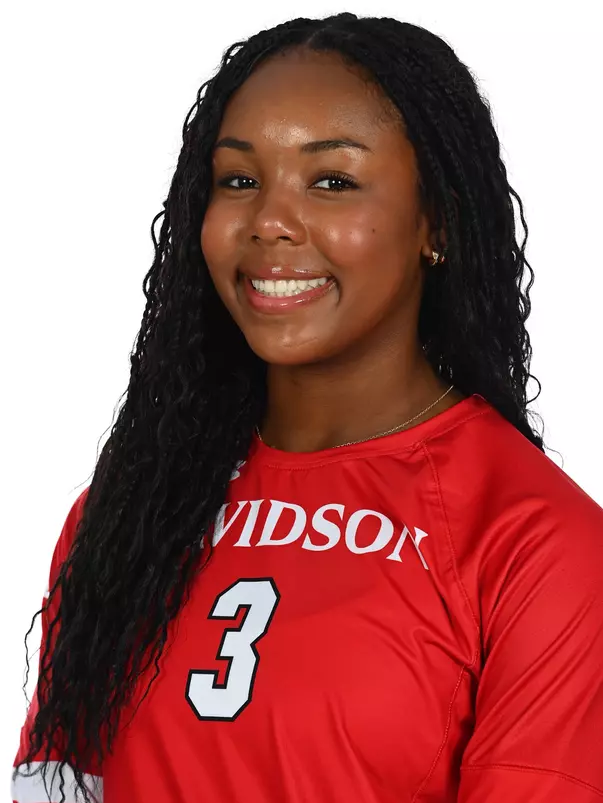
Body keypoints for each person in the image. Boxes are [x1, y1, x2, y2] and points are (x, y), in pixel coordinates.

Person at [11, 11, 603, 803]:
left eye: (332, 181)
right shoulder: (129, 512)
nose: (268, 223)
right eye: (238, 180)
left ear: (438, 222)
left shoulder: (536, 544)